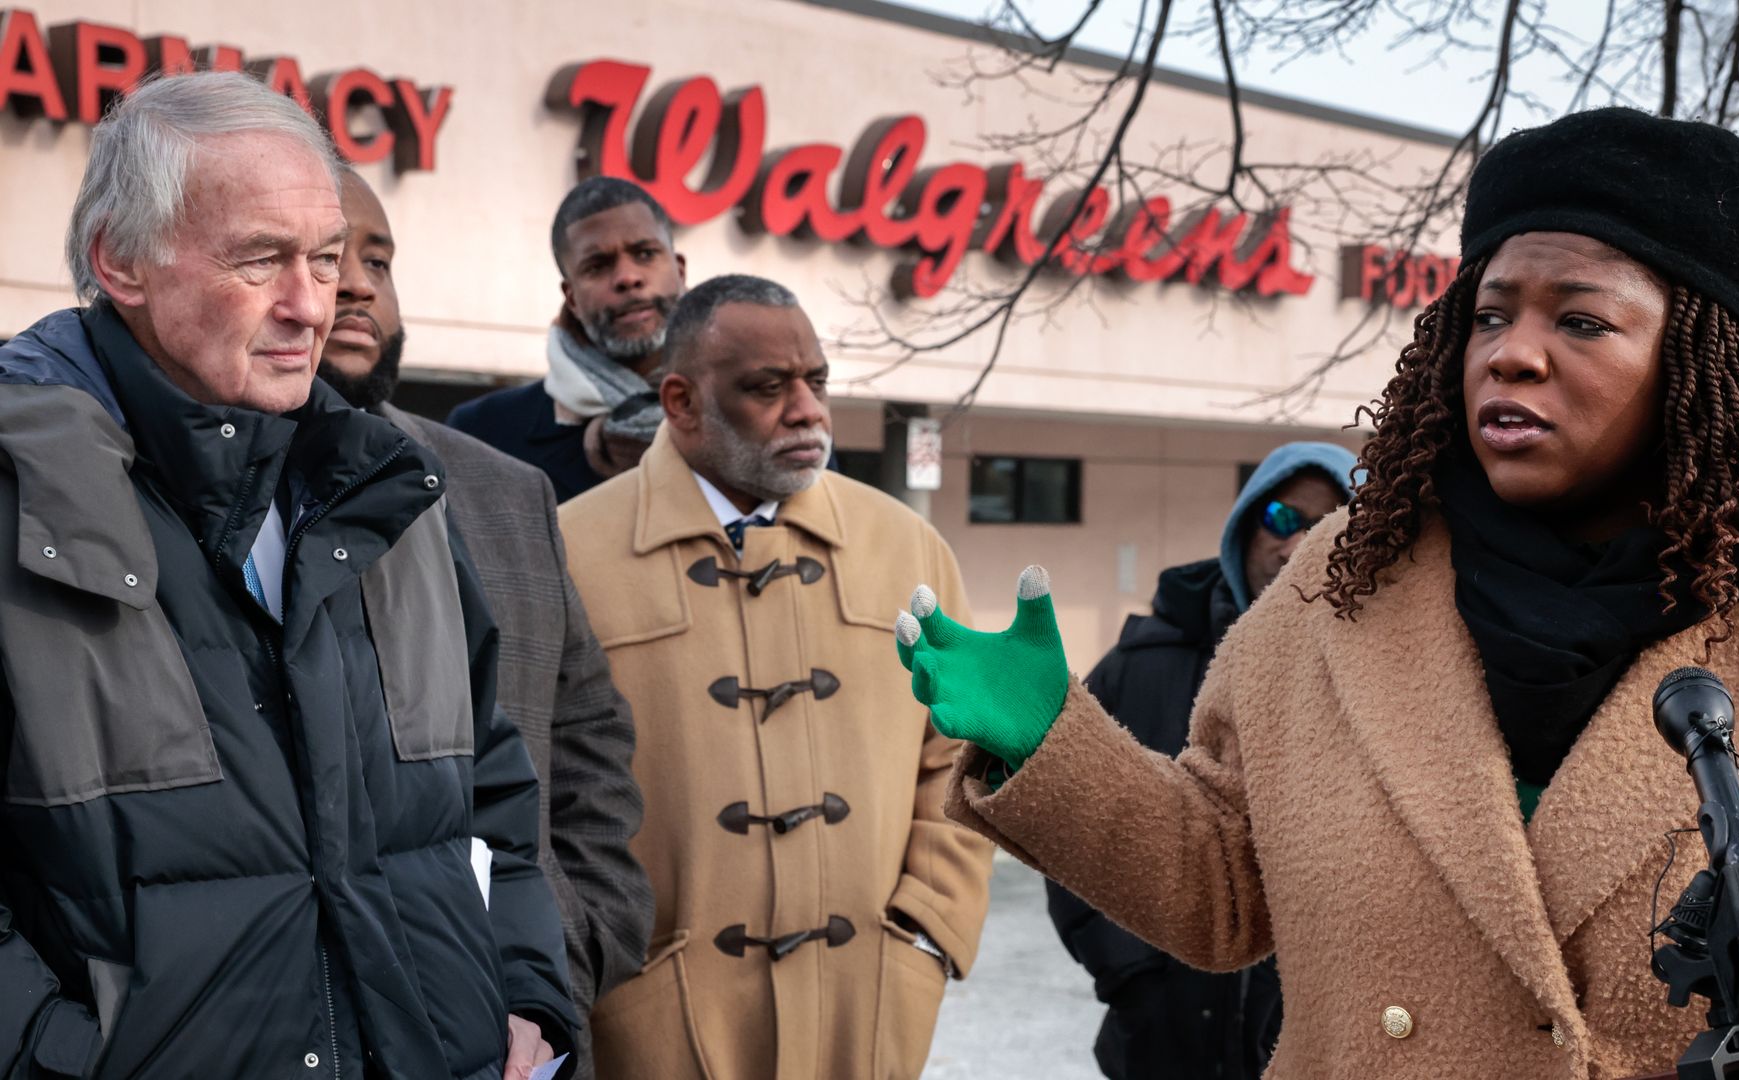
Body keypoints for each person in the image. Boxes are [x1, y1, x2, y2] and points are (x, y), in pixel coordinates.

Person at [892, 108, 1739, 1079]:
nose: (1513, 352)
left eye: (1581, 321)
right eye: (1491, 315)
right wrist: (1052, 744)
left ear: (1704, 364)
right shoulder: (1344, 578)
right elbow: (1221, 888)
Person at [0, 73, 575, 1078]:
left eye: (324, 258)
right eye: (260, 259)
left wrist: (524, 989)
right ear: (120, 262)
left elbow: (494, 789)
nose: (310, 304)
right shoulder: (20, 493)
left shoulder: (391, 497)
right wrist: (57, 1057)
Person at [559, 274, 994, 1079]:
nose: (808, 411)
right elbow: (530, 791)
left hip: (865, 1012)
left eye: (817, 382)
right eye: (769, 387)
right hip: (648, 1019)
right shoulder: (568, 552)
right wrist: (586, 965)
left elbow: (957, 758)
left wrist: (929, 932)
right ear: (682, 401)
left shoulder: (909, 548)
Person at [318, 169, 654, 1079]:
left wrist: (571, 943)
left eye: (377, 258)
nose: (356, 282)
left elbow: (587, 737)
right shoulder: (167, 499)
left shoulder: (504, 493)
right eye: (323, 252)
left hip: (523, 1038)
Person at [1048, 441, 1356, 1080]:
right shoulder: (1141, 665)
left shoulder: (1378, 693)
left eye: (1327, 525)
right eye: (1281, 519)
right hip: (1160, 1040)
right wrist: (1133, 975)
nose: (1296, 545)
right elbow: (1069, 823)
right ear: (1243, 528)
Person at [448, 177, 687, 502]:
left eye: (645, 254)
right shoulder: (482, 432)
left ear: (680, 270)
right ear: (571, 297)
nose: (628, 278)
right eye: (597, 266)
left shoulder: (745, 408)